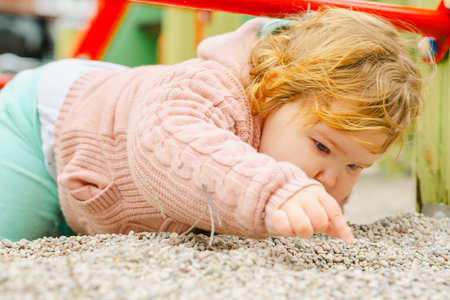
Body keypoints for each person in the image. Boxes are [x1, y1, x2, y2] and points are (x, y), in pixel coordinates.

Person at [0, 8, 423, 243]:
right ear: (273, 89)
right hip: (47, 125)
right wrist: (274, 192)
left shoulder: (307, 156)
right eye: (323, 147)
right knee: (15, 232)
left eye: (356, 168)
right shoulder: (213, 88)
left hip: (102, 173)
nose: (331, 179)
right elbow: (167, 142)